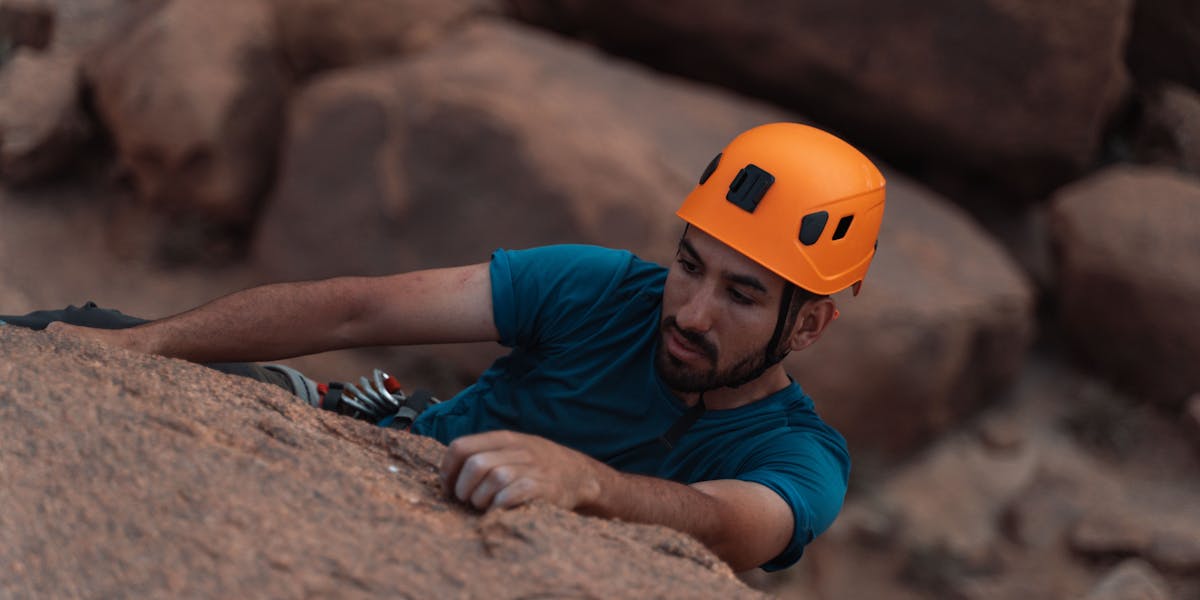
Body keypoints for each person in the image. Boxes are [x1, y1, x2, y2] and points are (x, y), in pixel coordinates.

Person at [5, 122, 886, 572]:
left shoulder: (798, 457)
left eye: (742, 293)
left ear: (808, 325)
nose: (690, 311)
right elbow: (357, 312)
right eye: (689, 265)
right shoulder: (604, 288)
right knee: (77, 327)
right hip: (387, 440)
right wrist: (139, 350)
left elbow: (738, 527)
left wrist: (588, 485)